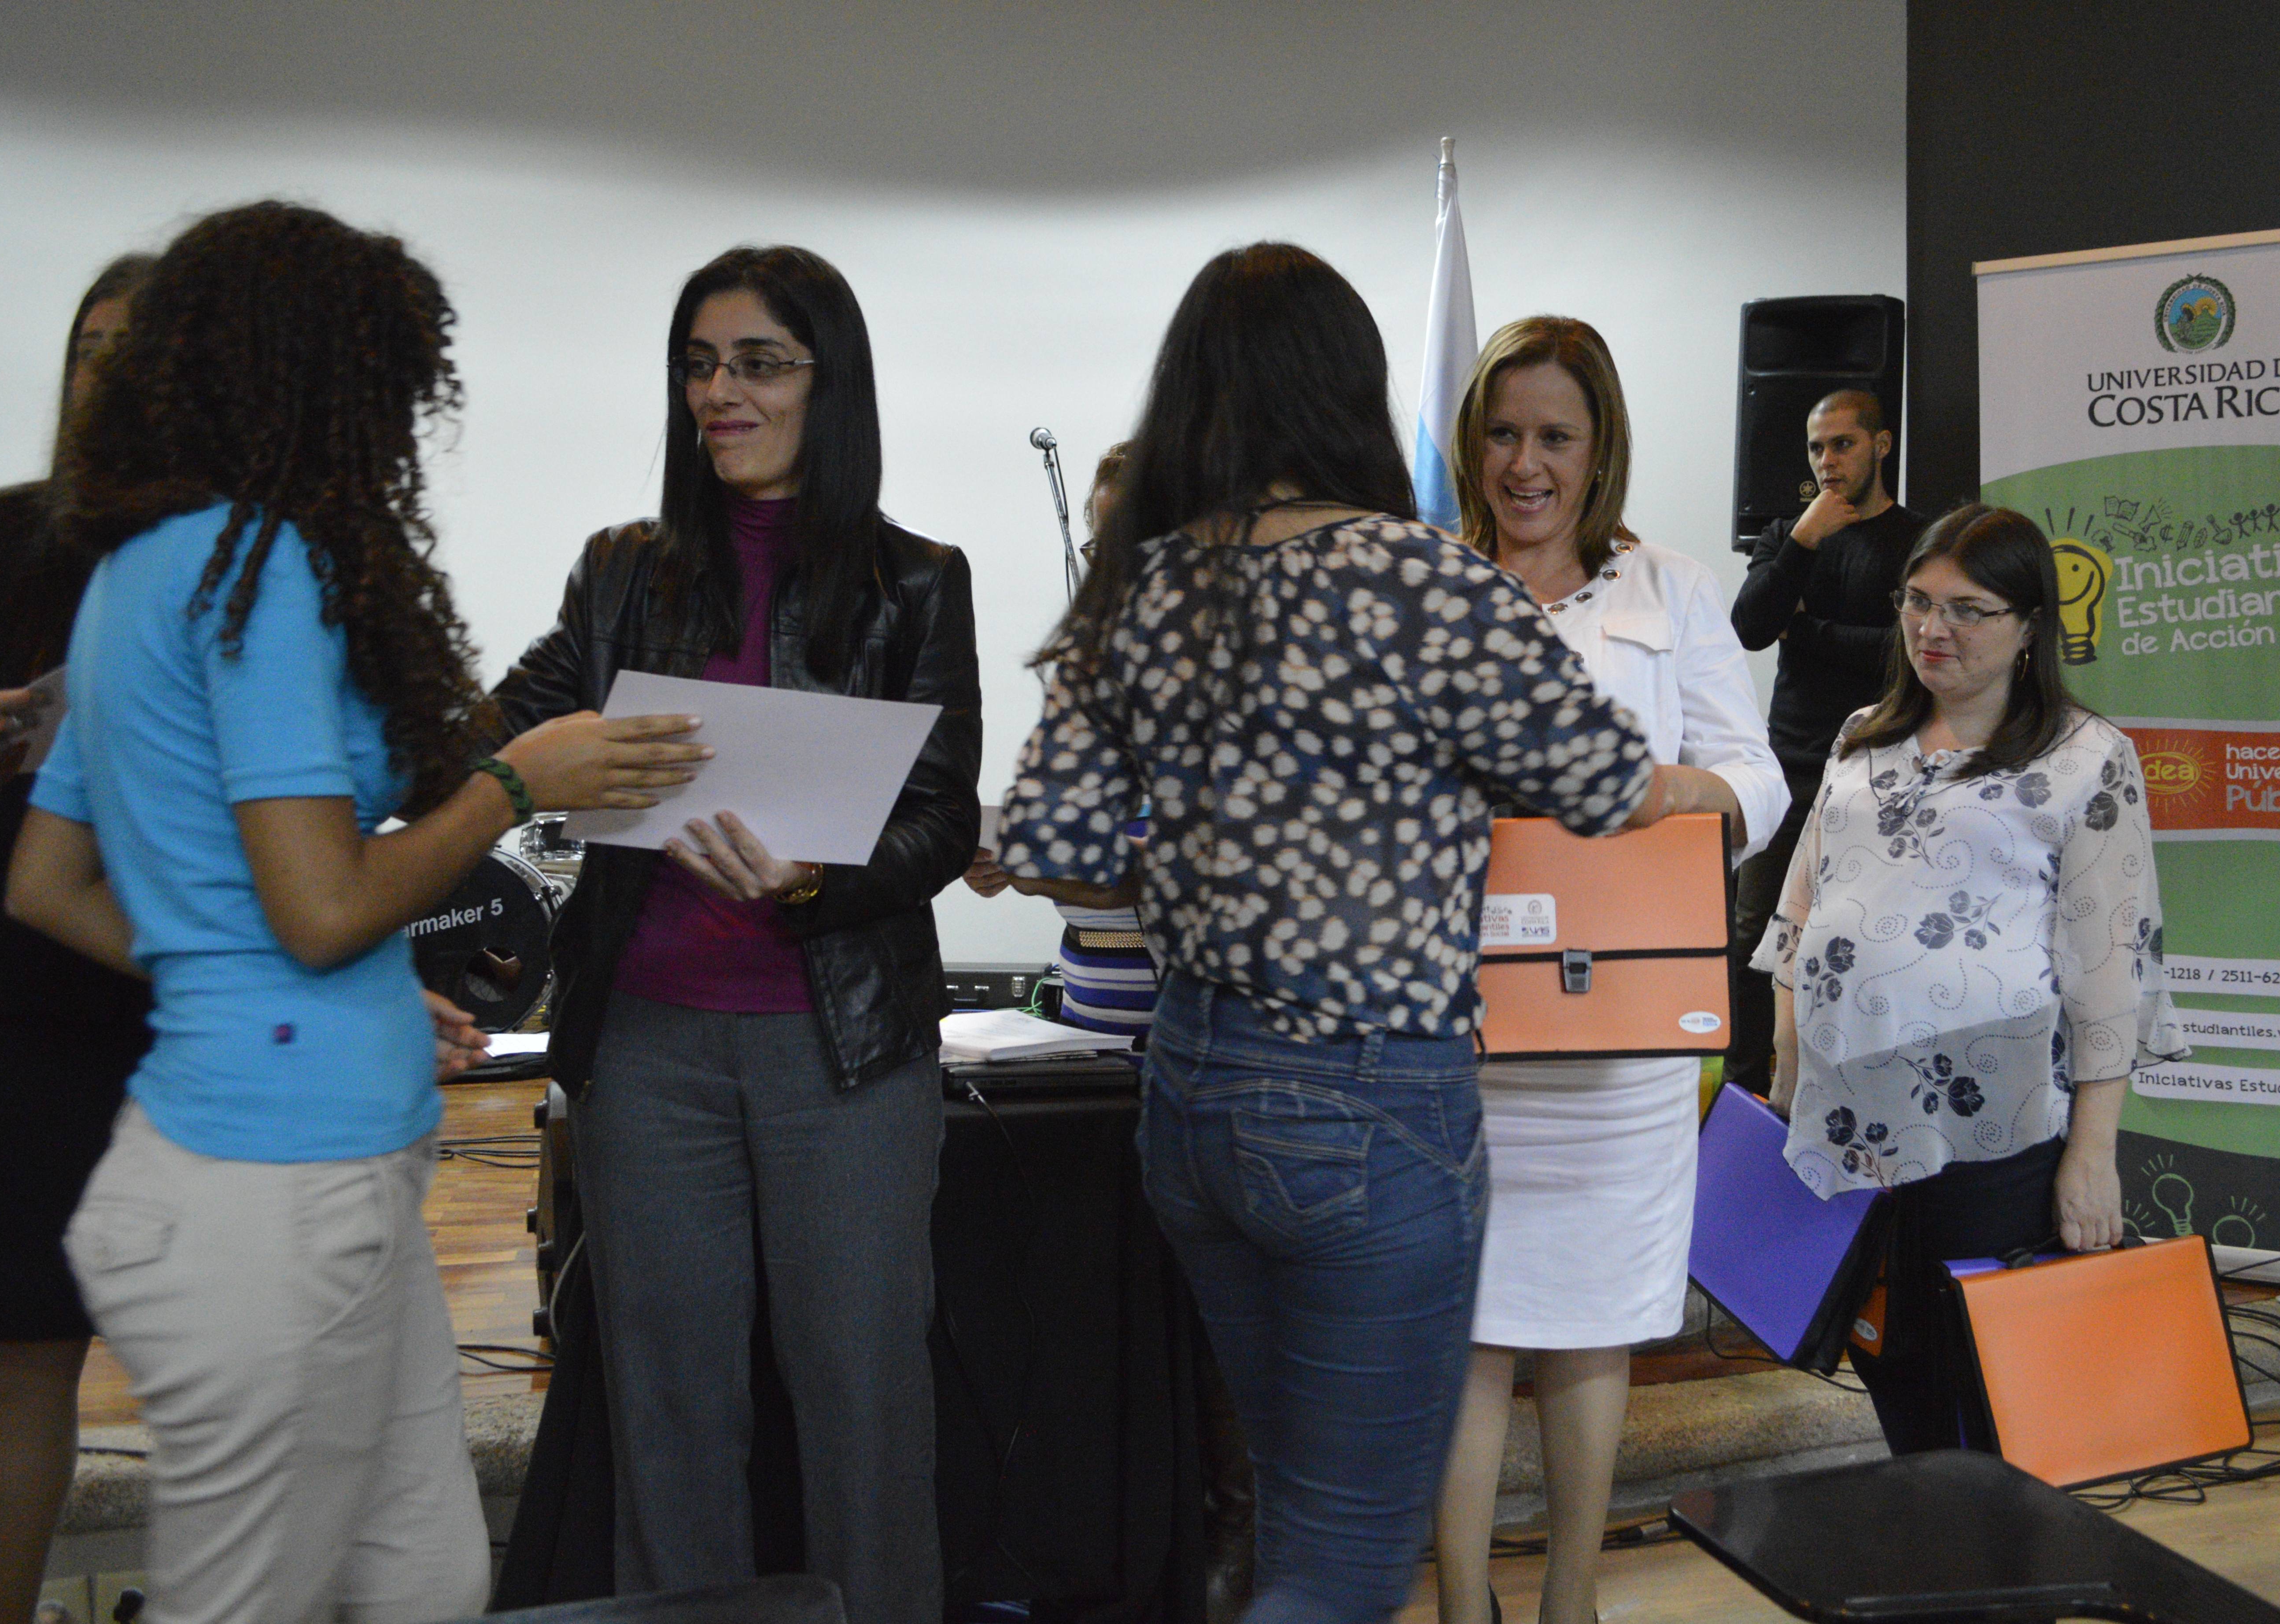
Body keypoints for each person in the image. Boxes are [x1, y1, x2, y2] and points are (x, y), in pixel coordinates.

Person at [4, 201, 705, 1624]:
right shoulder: (257, 572)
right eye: (383, 382)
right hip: (278, 1177)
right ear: (310, 379)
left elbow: (45, 884)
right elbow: (322, 909)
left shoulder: (137, 568)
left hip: (302, 1148)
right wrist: (519, 780)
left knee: (428, 1577)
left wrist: (276, 985)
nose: (399, 418)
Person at [996, 243, 1662, 1624]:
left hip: (1187, 1097)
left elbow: (1054, 851)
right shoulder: (1422, 582)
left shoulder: (1142, 582)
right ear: (1347, 390)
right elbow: (1602, 782)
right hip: (1369, 1112)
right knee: (1347, 1562)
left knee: (1299, 1509)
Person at [486, 245, 980, 1618]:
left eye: (757, 362)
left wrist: (813, 884)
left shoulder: (917, 580)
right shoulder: (622, 572)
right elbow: (494, 738)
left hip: (845, 1055)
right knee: (670, 1411)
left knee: (864, 1406)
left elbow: (942, 819)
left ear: (832, 383)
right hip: (646, 1053)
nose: (719, 391)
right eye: (699, 364)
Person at [1429, 318, 1787, 1624]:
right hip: (1456, 1027)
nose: (1527, 464)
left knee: (1590, 1317)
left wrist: (1660, 790)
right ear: (1473, 441)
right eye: (1506, 433)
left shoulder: (1674, 589)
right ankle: (1466, 1605)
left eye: (1556, 438)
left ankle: (1570, 1598)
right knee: (1462, 1326)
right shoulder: (1423, 581)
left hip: (1623, 1027)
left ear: (1600, 452)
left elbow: (1759, 777)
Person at [1755, 504, 2184, 1452]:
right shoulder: (1865, 734)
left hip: (1992, 1127)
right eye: (1917, 602)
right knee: (1885, 1351)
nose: (1932, 629)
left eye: (1968, 609)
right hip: (1846, 1116)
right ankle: (1933, 1552)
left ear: (2032, 626)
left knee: (1987, 1385)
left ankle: (2000, 1575)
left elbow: (2110, 970)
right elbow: (1802, 905)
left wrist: (2094, 1153)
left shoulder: (2087, 759)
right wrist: (1785, 1055)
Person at [0, 251, 153, 1624]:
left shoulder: (236, 560)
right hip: (19, 987)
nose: (107, 377)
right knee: (21, 1350)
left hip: (169, 999)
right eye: (88, 349)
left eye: (137, 349)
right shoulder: (3, 535)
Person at [1727, 392, 1926, 1098]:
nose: (1827, 461)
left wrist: (1807, 631)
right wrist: (1804, 540)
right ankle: (1743, 1097)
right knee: (1752, 935)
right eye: (1816, 448)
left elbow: (1904, 655)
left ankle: (1859, 1092)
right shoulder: (1789, 535)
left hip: (1884, 770)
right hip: (1788, 769)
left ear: (1882, 444)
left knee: (1872, 939)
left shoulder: (1920, 542)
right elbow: (1749, 625)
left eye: (1842, 444)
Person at [965, 443, 1160, 1040]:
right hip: (1083, 1037)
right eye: (1103, 546)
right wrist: (995, 856)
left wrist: (1047, 866)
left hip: (1187, 1063)